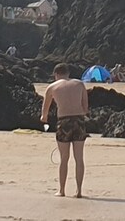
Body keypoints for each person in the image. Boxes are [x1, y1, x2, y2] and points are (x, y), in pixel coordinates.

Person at [41, 63, 89, 198]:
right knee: (79, 158)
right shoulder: (79, 84)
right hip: (79, 121)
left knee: (64, 158)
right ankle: (79, 191)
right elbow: (85, 107)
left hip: (64, 122)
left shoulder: (51, 87)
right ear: (68, 73)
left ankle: (62, 190)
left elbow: (44, 113)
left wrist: (44, 119)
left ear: (55, 74)